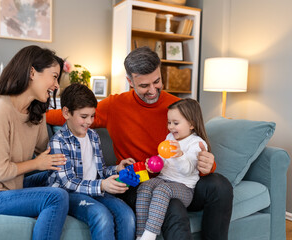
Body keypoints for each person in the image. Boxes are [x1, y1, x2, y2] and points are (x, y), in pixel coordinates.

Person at [46, 46, 233, 239]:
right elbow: (65, 115)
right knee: (170, 203)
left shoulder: (177, 108)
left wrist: (208, 165)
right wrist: (27, 109)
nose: (153, 90)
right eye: (144, 85)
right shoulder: (114, 106)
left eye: (157, 81)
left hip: (179, 178)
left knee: (221, 185)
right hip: (140, 181)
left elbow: (196, 148)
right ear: (130, 81)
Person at [0, 45, 69, 240]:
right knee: (55, 197)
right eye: (53, 76)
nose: (57, 85)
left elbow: (47, 151)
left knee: (57, 179)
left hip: (8, 188)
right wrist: (37, 163)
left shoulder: (36, 112)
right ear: (32, 72)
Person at [47, 83, 136, 240]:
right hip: (70, 195)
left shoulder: (93, 136)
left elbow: (99, 170)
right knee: (101, 215)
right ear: (66, 113)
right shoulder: (58, 141)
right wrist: (102, 185)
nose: (89, 121)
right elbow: (68, 182)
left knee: (127, 215)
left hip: (95, 190)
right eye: (83, 117)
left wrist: (116, 169)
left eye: (92, 116)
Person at [136, 98, 211, 240]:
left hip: (184, 187)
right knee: (145, 187)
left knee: (161, 191)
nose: (171, 127)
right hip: (163, 179)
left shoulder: (197, 143)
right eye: (169, 122)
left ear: (191, 124)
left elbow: (187, 170)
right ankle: (140, 234)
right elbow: (163, 159)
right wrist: (153, 164)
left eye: (176, 123)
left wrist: (180, 155)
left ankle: (150, 236)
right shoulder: (170, 137)